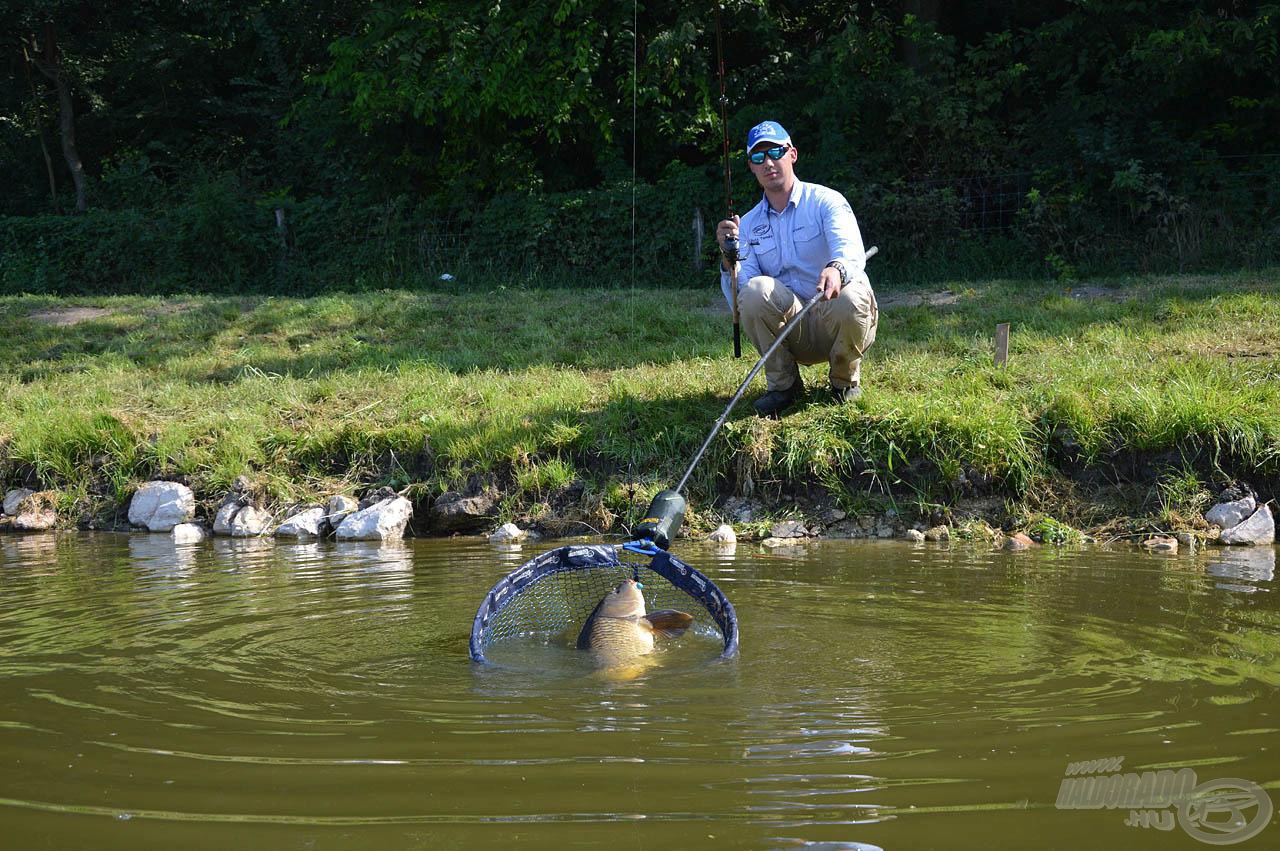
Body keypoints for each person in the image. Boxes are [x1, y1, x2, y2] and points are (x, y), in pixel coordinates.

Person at [717, 120, 878, 417]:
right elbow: (743, 298)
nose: (767, 162)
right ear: (751, 167)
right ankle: (783, 387)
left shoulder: (827, 201)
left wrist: (836, 269)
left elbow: (851, 251)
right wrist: (730, 262)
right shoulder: (748, 225)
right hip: (792, 331)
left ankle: (844, 382)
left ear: (792, 154)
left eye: (775, 152)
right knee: (754, 291)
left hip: (835, 316)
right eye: (757, 157)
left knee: (851, 293)